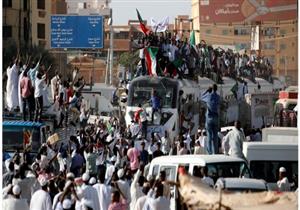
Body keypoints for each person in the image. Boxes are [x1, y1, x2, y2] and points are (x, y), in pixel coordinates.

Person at [201, 84, 220, 154]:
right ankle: (215, 151)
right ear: (216, 89)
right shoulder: (218, 97)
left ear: (211, 89)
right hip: (216, 117)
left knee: (209, 135)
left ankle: (210, 152)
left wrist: (207, 91)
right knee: (215, 135)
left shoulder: (208, 96)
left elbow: (201, 97)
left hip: (209, 118)